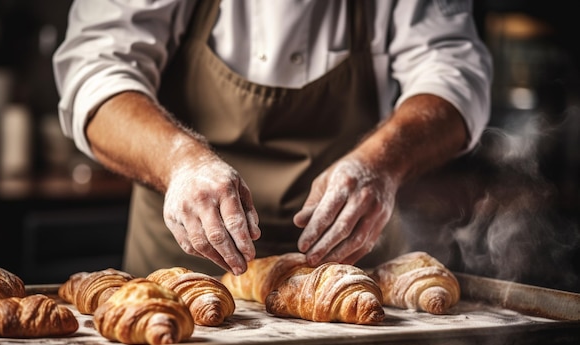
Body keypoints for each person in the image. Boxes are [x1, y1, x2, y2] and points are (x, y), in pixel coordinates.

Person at [53, 0, 492, 278]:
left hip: (352, 277)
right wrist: (180, 162)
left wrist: (380, 163)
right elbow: (94, 71)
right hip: (180, 282)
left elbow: (454, 73)